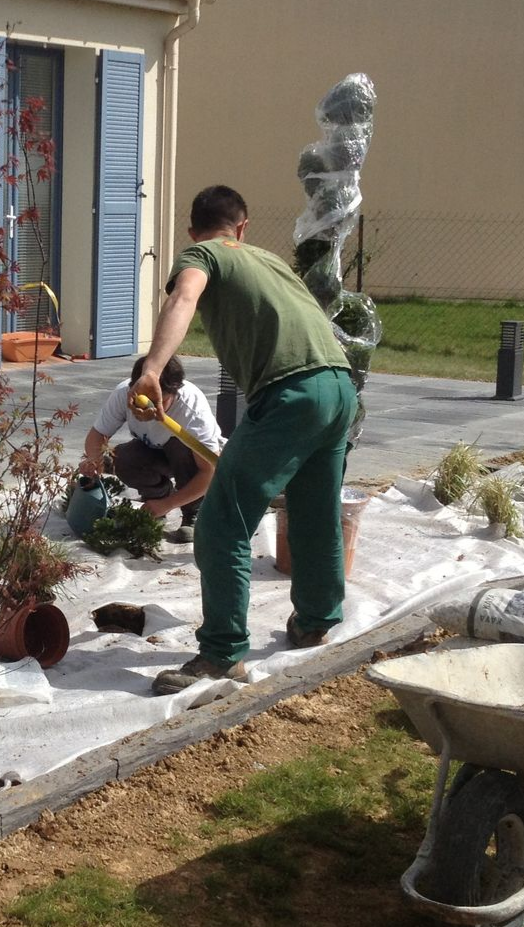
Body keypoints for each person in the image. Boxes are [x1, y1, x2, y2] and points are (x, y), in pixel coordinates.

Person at [130, 185, 356, 694]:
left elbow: (185, 293)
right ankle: (316, 620)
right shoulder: (269, 260)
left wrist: (153, 368)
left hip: (291, 394)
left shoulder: (202, 254)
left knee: (221, 520)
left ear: (193, 231)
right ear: (244, 227)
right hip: (339, 387)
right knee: (315, 509)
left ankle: (221, 652)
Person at [80, 355, 223, 543]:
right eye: (143, 401)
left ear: (174, 391)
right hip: (154, 452)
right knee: (123, 458)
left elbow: (209, 472)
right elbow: (96, 436)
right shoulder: (123, 394)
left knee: (180, 446)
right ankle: (156, 499)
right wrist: (94, 458)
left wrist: (169, 504)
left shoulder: (192, 410)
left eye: (159, 402)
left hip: (189, 459)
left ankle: (194, 512)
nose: (149, 410)